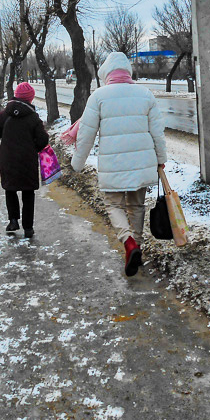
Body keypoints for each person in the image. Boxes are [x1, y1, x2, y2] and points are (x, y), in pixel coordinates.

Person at [68, 52, 167, 276]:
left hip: (112, 163)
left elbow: (86, 134)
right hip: (141, 162)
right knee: (136, 206)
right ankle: (138, 248)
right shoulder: (145, 94)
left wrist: (77, 163)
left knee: (113, 205)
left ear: (107, 74)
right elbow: (157, 133)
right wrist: (161, 159)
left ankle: (128, 243)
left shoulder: (99, 96)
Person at [0, 82, 49, 238]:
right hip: (27, 160)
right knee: (28, 193)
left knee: (10, 189)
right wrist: (34, 147)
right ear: (30, 99)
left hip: (7, 160)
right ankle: (28, 228)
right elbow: (43, 140)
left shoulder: (3, 115)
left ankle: (13, 220)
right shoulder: (33, 117)